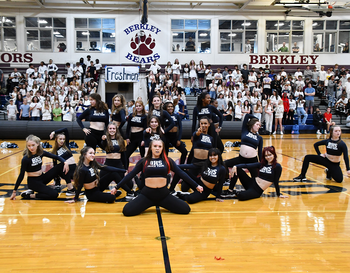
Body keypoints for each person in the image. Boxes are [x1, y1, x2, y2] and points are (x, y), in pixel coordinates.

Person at [116, 140, 203, 216]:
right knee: (127, 211)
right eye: (155, 146)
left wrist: (196, 186)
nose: (157, 148)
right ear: (151, 148)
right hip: (147, 195)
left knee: (186, 209)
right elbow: (130, 175)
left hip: (163, 195)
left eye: (159, 146)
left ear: (162, 148)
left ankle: (173, 199)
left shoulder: (167, 160)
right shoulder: (144, 161)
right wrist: (117, 187)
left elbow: (181, 173)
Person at [10, 135, 70, 200]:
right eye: (29, 146)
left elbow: (56, 157)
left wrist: (65, 162)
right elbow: (21, 175)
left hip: (42, 178)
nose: (31, 148)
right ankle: (30, 195)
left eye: (33, 145)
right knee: (54, 194)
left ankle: (70, 188)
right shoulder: (26, 159)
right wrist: (14, 191)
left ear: (38, 144)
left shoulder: (40, 153)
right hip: (34, 182)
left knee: (61, 165)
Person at [222, 114, 262, 197]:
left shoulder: (259, 138)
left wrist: (261, 163)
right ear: (252, 124)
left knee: (256, 178)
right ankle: (229, 188)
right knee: (225, 164)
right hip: (241, 158)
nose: (259, 126)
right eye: (257, 124)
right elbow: (247, 116)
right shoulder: (245, 131)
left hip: (252, 160)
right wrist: (256, 118)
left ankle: (253, 189)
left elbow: (260, 152)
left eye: (260, 125)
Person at [100, 123, 135, 200]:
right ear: (108, 130)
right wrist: (104, 140)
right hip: (108, 165)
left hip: (118, 164)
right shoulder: (105, 139)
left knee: (130, 185)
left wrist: (125, 169)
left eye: (113, 128)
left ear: (116, 130)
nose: (112, 130)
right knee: (100, 185)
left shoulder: (120, 140)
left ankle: (128, 190)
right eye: (110, 129)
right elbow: (104, 145)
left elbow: (124, 156)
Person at [49, 128, 78, 195]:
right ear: (56, 139)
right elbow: (55, 166)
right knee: (61, 167)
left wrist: (54, 132)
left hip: (75, 171)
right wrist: (56, 180)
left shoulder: (66, 145)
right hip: (66, 172)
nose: (62, 141)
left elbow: (66, 130)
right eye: (60, 139)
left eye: (63, 139)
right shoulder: (54, 152)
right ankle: (70, 189)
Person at [125, 100, 148, 167]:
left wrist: (144, 140)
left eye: (139, 106)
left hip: (141, 137)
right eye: (137, 106)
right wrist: (127, 137)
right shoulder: (131, 115)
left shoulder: (144, 117)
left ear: (142, 107)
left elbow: (145, 129)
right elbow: (128, 127)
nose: (138, 107)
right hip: (132, 137)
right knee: (126, 154)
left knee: (143, 156)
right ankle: (125, 170)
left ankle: (144, 173)